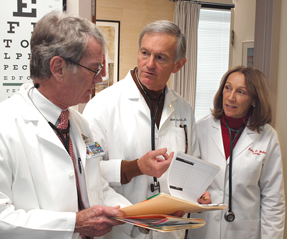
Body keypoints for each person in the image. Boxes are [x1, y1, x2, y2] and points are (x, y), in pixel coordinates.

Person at [0, 11, 140, 239]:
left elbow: (96, 187)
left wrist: (138, 215)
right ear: (58, 68)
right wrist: (72, 224)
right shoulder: (5, 125)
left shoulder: (79, 123)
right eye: (94, 69)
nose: (100, 78)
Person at [83, 20, 210, 239]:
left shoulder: (184, 109)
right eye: (145, 53)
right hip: (122, 229)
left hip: (170, 229)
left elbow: (191, 164)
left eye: (160, 57)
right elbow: (86, 171)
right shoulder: (102, 105)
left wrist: (194, 194)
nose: (149, 64)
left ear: (178, 65)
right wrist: (136, 167)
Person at [189, 66, 285, 239]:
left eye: (241, 92)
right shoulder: (200, 128)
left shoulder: (267, 136)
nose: (231, 97)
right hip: (204, 229)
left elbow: (273, 200)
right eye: (228, 88)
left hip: (244, 232)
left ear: (254, 100)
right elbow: (188, 181)